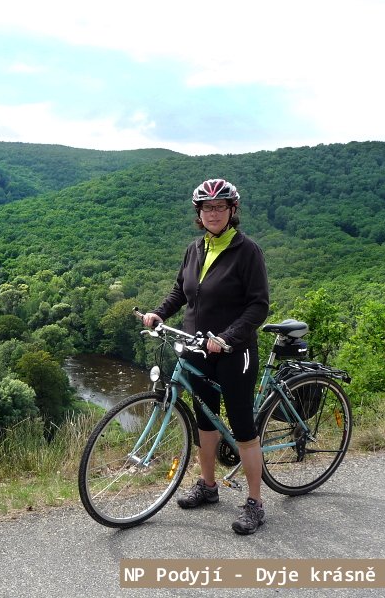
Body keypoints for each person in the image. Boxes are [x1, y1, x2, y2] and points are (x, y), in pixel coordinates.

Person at [141, 178, 269, 535]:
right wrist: (159, 313)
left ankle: (256, 503)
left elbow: (259, 305)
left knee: (243, 427)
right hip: (197, 348)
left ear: (232, 211)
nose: (213, 213)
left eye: (220, 207)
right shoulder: (195, 249)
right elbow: (181, 290)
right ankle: (208, 486)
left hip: (234, 351)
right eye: (207, 208)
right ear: (199, 213)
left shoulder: (248, 251)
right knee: (205, 421)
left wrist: (228, 338)